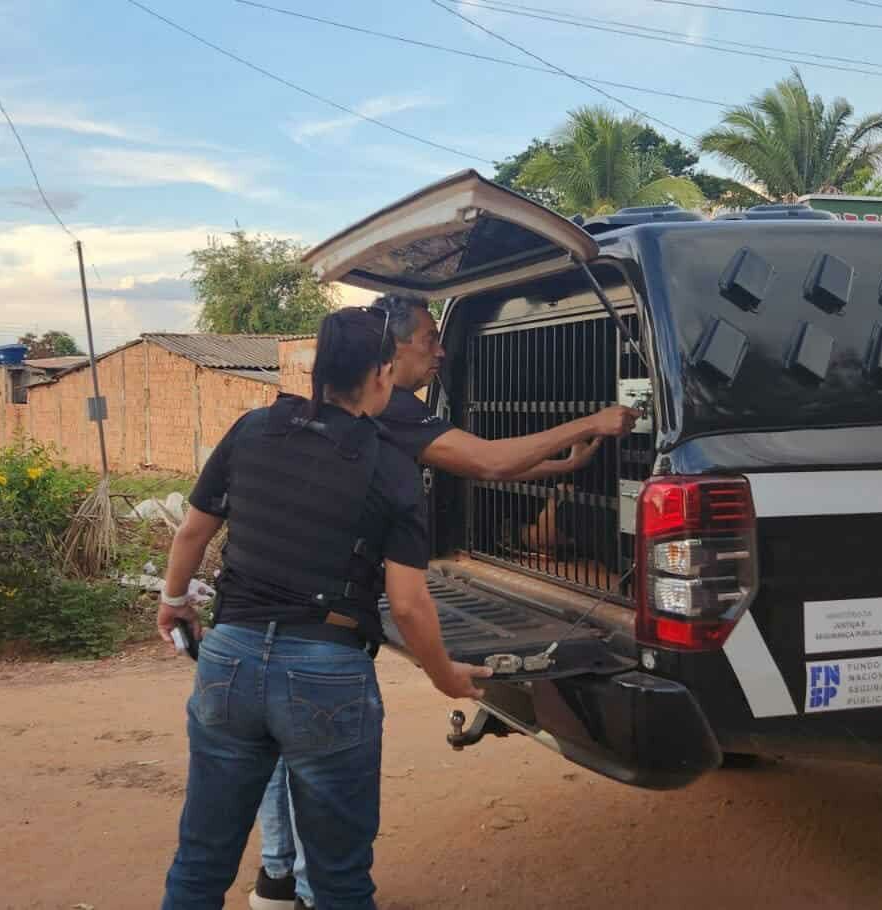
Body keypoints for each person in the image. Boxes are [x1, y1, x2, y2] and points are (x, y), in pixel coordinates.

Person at [251, 295, 638, 910]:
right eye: (429, 338)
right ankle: (312, 889)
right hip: (325, 622)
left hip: (257, 613)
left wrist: (559, 463)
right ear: (389, 354)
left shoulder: (283, 421)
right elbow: (484, 460)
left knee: (277, 748)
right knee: (326, 767)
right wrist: (592, 422)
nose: (441, 350)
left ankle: (278, 878)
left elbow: (479, 464)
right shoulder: (390, 410)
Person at [157, 306, 494, 910]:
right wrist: (447, 678)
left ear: (317, 370)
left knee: (201, 860)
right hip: (326, 669)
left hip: (228, 661)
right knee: (338, 879)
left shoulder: (252, 429)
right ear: (383, 375)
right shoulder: (391, 466)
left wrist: (174, 601)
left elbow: (191, 533)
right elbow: (410, 605)